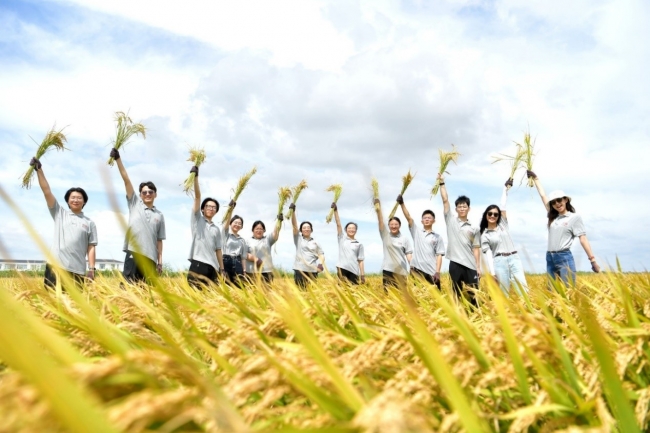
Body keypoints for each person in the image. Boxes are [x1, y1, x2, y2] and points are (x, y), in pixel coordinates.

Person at [30, 157, 97, 289]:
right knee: (51, 299)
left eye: (79, 198)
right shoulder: (59, 213)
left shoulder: (89, 223)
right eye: (73, 197)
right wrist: (39, 170)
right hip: (55, 267)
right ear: (67, 201)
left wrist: (92, 269)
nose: (76, 200)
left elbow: (91, 247)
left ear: (84, 201)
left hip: (77, 270)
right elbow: (46, 191)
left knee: (74, 302)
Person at [528, 170, 600, 285]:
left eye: (559, 200)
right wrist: (536, 179)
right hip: (550, 257)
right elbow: (543, 196)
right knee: (552, 291)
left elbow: (583, 239)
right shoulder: (553, 216)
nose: (557, 203)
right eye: (554, 202)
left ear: (565, 200)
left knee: (568, 289)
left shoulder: (574, 217)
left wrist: (593, 260)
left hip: (564, 257)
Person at [110, 148, 166, 284]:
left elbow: (159, 241)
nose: (147, 194)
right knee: (128, 288)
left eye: (150, 192)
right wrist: (118, 159)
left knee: (147, 291)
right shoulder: (134, 203)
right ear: (140, 195)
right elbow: (126, 180)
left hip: (151, 258)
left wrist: (160, 262)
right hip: (134, 253)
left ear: (155, 194)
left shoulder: (159, 215)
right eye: (144, 192)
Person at [479, 179, 528, 296]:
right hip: (499, 261)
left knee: (523, 290)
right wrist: (492, 273)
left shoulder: (503, 224)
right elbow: (489, 254)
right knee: (503, 293)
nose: (493, 216)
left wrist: (505, 189)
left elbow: (503, 206)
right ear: (486, 215)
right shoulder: (485, 235)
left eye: (495, 214)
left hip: (514, 258)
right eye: (490, 214)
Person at [439, 173, 481, 305]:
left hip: (470, 265)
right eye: (459, 206)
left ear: (469, 208)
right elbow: (445, 200)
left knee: (474, 294)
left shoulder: (474, 228)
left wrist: (478, 267)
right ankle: (457, 314)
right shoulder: (450, 220)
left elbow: (476, 248)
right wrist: (442, 183)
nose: (462, 208)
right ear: (456, 209)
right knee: (455, 293)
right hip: (455, 263)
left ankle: (475, 314)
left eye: (464, 206)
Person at [186, 165, 225, 289]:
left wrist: (222, 269)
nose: (211, 209)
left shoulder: (216, 229)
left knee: (211, 298)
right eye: (208, 206)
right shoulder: (197, 219)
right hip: (199, 264)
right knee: (194, 296)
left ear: (216, 211)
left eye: (214, 207)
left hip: (213, 268)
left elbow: (218, 250)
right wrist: (195, 177)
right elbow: (197, 197)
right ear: (202, 209)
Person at [397, 194, 445, 289]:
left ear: (434, 221)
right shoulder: (416, 232)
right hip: (416, 270)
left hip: (431, 271)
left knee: (436, 295)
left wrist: (437, 272)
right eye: (424, 218)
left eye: (429, 218)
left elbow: (439, 255)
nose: (427, 219)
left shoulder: (437, 237)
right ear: (421, 221)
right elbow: (409, 217)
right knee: (418, 295)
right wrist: (402, 203)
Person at [374, 198, 413, 290]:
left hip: (401, 271)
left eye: (396, 224)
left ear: (400, 225)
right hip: (388, 270)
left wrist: (412, 267)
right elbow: (380, 221)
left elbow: (409, 255)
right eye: (391, 224)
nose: (394, 226)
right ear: (388, 226)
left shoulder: (404, 239)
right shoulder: (385, 236)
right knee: (388, 295)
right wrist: (378, 209)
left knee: (402, 295)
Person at [290, 203, 325, 288]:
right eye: (304, 228)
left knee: (312, 292)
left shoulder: (316, 242)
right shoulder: (298, 239)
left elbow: (321, 254)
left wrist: (320, 264)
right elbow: (294, 226)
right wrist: (293, 212)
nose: (306, 229)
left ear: (311, 230)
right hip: (300, 270)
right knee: (300, 292)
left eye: (308, 227)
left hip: (313, 271)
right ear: (301, 230)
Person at [332, 202, 365, 285]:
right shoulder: (341, 239)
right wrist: (335, 211)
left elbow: (360, 260)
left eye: (353, 228)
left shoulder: (359, 244)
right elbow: (338, 224)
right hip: (342, 269)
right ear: (346, 230)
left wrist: (362, 275)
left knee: (354, 290)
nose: (351, 230)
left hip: (354, 271)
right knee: (342, 290)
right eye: (349, 228)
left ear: (356, 230)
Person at [245, 216, 283, 284]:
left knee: (266, 290)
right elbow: (244, 254)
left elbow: (275, 233)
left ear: (264, 230)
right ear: (252, 230)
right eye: (257, 229)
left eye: (261, 229)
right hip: (251, 272)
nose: (259, 231)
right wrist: (255, 259)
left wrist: (279, 221)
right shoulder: (247, 241)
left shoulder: (267, 239)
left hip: (266, 271)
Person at [221, 202, 248, 285]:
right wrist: (231, 210)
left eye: (240, 223)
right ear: (230, 223)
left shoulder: (242, 240)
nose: (237, 225)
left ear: (242, 227)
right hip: (226, 262)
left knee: (238, 287)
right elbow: (225, 225)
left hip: (238, 264)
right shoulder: (225, 235)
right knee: (225, 285)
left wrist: (244, 270)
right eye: (235, 222)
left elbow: (243, 258)